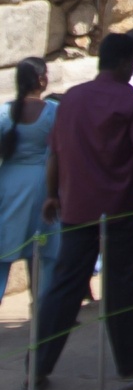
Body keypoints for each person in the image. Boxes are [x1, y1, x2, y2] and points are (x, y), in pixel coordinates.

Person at [34, 32, 133, 390]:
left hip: (77, 208)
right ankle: (130, 364)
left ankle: (37, 367)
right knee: (121, 286)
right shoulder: (129, 99)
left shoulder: (72, 99)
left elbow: (55, 154)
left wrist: (51, 195)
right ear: (126, 63)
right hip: (120, 209)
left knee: (63, 288)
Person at [0, 59, 58, 303]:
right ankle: (43, 309)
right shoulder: (53, 110)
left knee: (4, 249)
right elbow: (57, 154)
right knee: (44, 252)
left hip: (8, 183)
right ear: (42, 80)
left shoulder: (5, 111)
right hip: (41, 185)